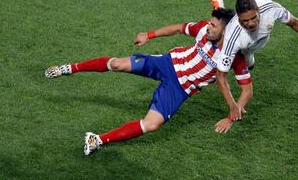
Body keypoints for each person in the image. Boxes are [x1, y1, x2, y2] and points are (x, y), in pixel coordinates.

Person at [44, 8, 252, 155]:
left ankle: (97, 139)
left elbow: (247, 91)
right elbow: (179, 28)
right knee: (117, 64)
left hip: (179, 88)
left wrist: (231, 116)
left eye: (213, 25)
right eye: (209, 22)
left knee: (151, 125)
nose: (207, 27)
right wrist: (149, 35)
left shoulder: (234, 56)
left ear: (225, 31)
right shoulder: (202, 30)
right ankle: (69, 68)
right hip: (167, 63)